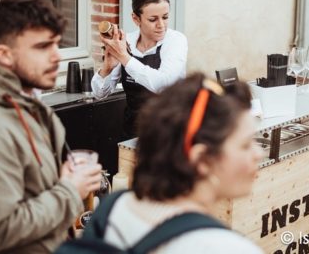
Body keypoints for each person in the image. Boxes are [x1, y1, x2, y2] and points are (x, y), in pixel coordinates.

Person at [0, 0, 103, 253]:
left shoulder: (27, 99)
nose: (56, 56)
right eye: (42, 47)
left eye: (56, 44)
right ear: (4, 55)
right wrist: (69, 191)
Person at [94, 73, 264, 253]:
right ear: (202, 159)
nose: (258, 153)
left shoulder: (112, 207)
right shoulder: (228, 248)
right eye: (245, 145)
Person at [91, 0, 188, 138]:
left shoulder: (176, 41)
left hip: (170, 135)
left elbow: (163, 84)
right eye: (153, 19)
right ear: (136, 19)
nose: (161, 25)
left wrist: (124, 58)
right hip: (133, 133)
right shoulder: (127, 41)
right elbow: (99, 94)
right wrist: (107, 68)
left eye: (165, 17)